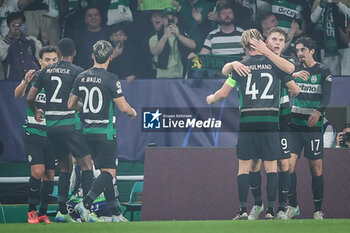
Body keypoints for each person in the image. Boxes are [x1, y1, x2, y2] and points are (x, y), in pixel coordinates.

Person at [207, 28, 299, 220]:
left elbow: (223, 94)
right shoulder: (275, 65)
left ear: (244, 45)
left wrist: (211, 99)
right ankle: (272, 211)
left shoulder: (241, 67)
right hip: (270, 121)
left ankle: (242, 209)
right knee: (271, 166)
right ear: (261, 42)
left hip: (247, 122)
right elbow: (294, 88)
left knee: (244, 167)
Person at [68, 40, 137, 222]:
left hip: (87, 131)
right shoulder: (111, 78)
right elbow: (123, 107)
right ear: (111, 57)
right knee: (109, 173)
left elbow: (70, 104)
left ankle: (115, 214)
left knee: (104, 172)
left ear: (93, 56)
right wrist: (132, 112)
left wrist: (83, 107)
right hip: (105, 132)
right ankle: (86, 203)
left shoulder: (81, 77)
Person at [26, 38, 94, 223]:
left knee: (65, 167)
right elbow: (78, 103)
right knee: (87, 164)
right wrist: (79, 107)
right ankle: (87, 208)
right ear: (74, 52)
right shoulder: (77, 71)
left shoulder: (45, 70)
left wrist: (36, 111)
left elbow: (30, 97)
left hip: (51, 127)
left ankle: (62, 211)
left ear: (59, 52)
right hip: (69, 124)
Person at [287, 36, 333, 220]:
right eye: (297, 51)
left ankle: (317, 210)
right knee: (288, 167)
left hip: (313, 127)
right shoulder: (295, 70)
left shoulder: (323, 70)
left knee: (316, 169)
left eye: (303, 50)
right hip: (294, 126)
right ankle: (293, 206)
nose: (299, 54)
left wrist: (319, 111)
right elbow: (289, 90)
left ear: (312, 51)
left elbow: (327, 96)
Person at [14, 45, 59, 224]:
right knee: (38, 172)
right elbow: (17, 95)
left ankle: (43, 213)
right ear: (40, 61)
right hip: (33, 132)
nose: (50, 63)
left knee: (49, 175)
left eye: (54, 60)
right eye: (47, 60)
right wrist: (25, 82)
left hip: (53, 135)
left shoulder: (60, 80)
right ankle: (31, 211)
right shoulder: (33, 76)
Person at [149, 7, 196, 78]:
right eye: (167, 18)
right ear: (162, 20)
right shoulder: (155, 37)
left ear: (176, 20)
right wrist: (165, 36)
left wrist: (178, 35)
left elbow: (193, 45)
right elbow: (155, 51)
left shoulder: (181, 34)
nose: (170, 20)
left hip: (179, 75)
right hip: (162, 76)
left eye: (173, 18)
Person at [0, 11, 42, 80]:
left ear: (23, 25)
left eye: (19, 25)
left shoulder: (32, 41)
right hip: (11, 82)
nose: (17, 28)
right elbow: (1, 55)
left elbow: (41, 57)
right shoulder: (4, 43)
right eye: (13, 25)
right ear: (8, 26)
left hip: (33, 80)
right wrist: (9, 36)